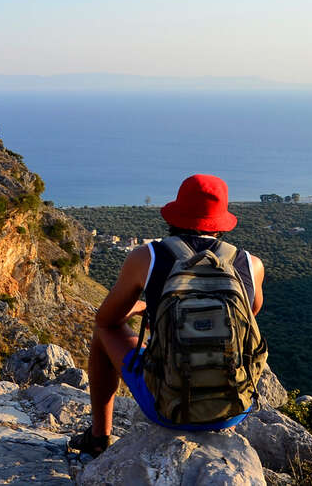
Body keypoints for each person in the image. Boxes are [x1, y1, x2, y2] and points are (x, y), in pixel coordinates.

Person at [69, 174, 266, 455]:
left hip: (166, 408)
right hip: (234, 409)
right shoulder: (250, 264)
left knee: (103, 332)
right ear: (221, 221)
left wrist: (143, 308)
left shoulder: (147, 258)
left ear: (175, 213)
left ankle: (98, 437)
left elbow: (106, 320)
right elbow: (251, 315)